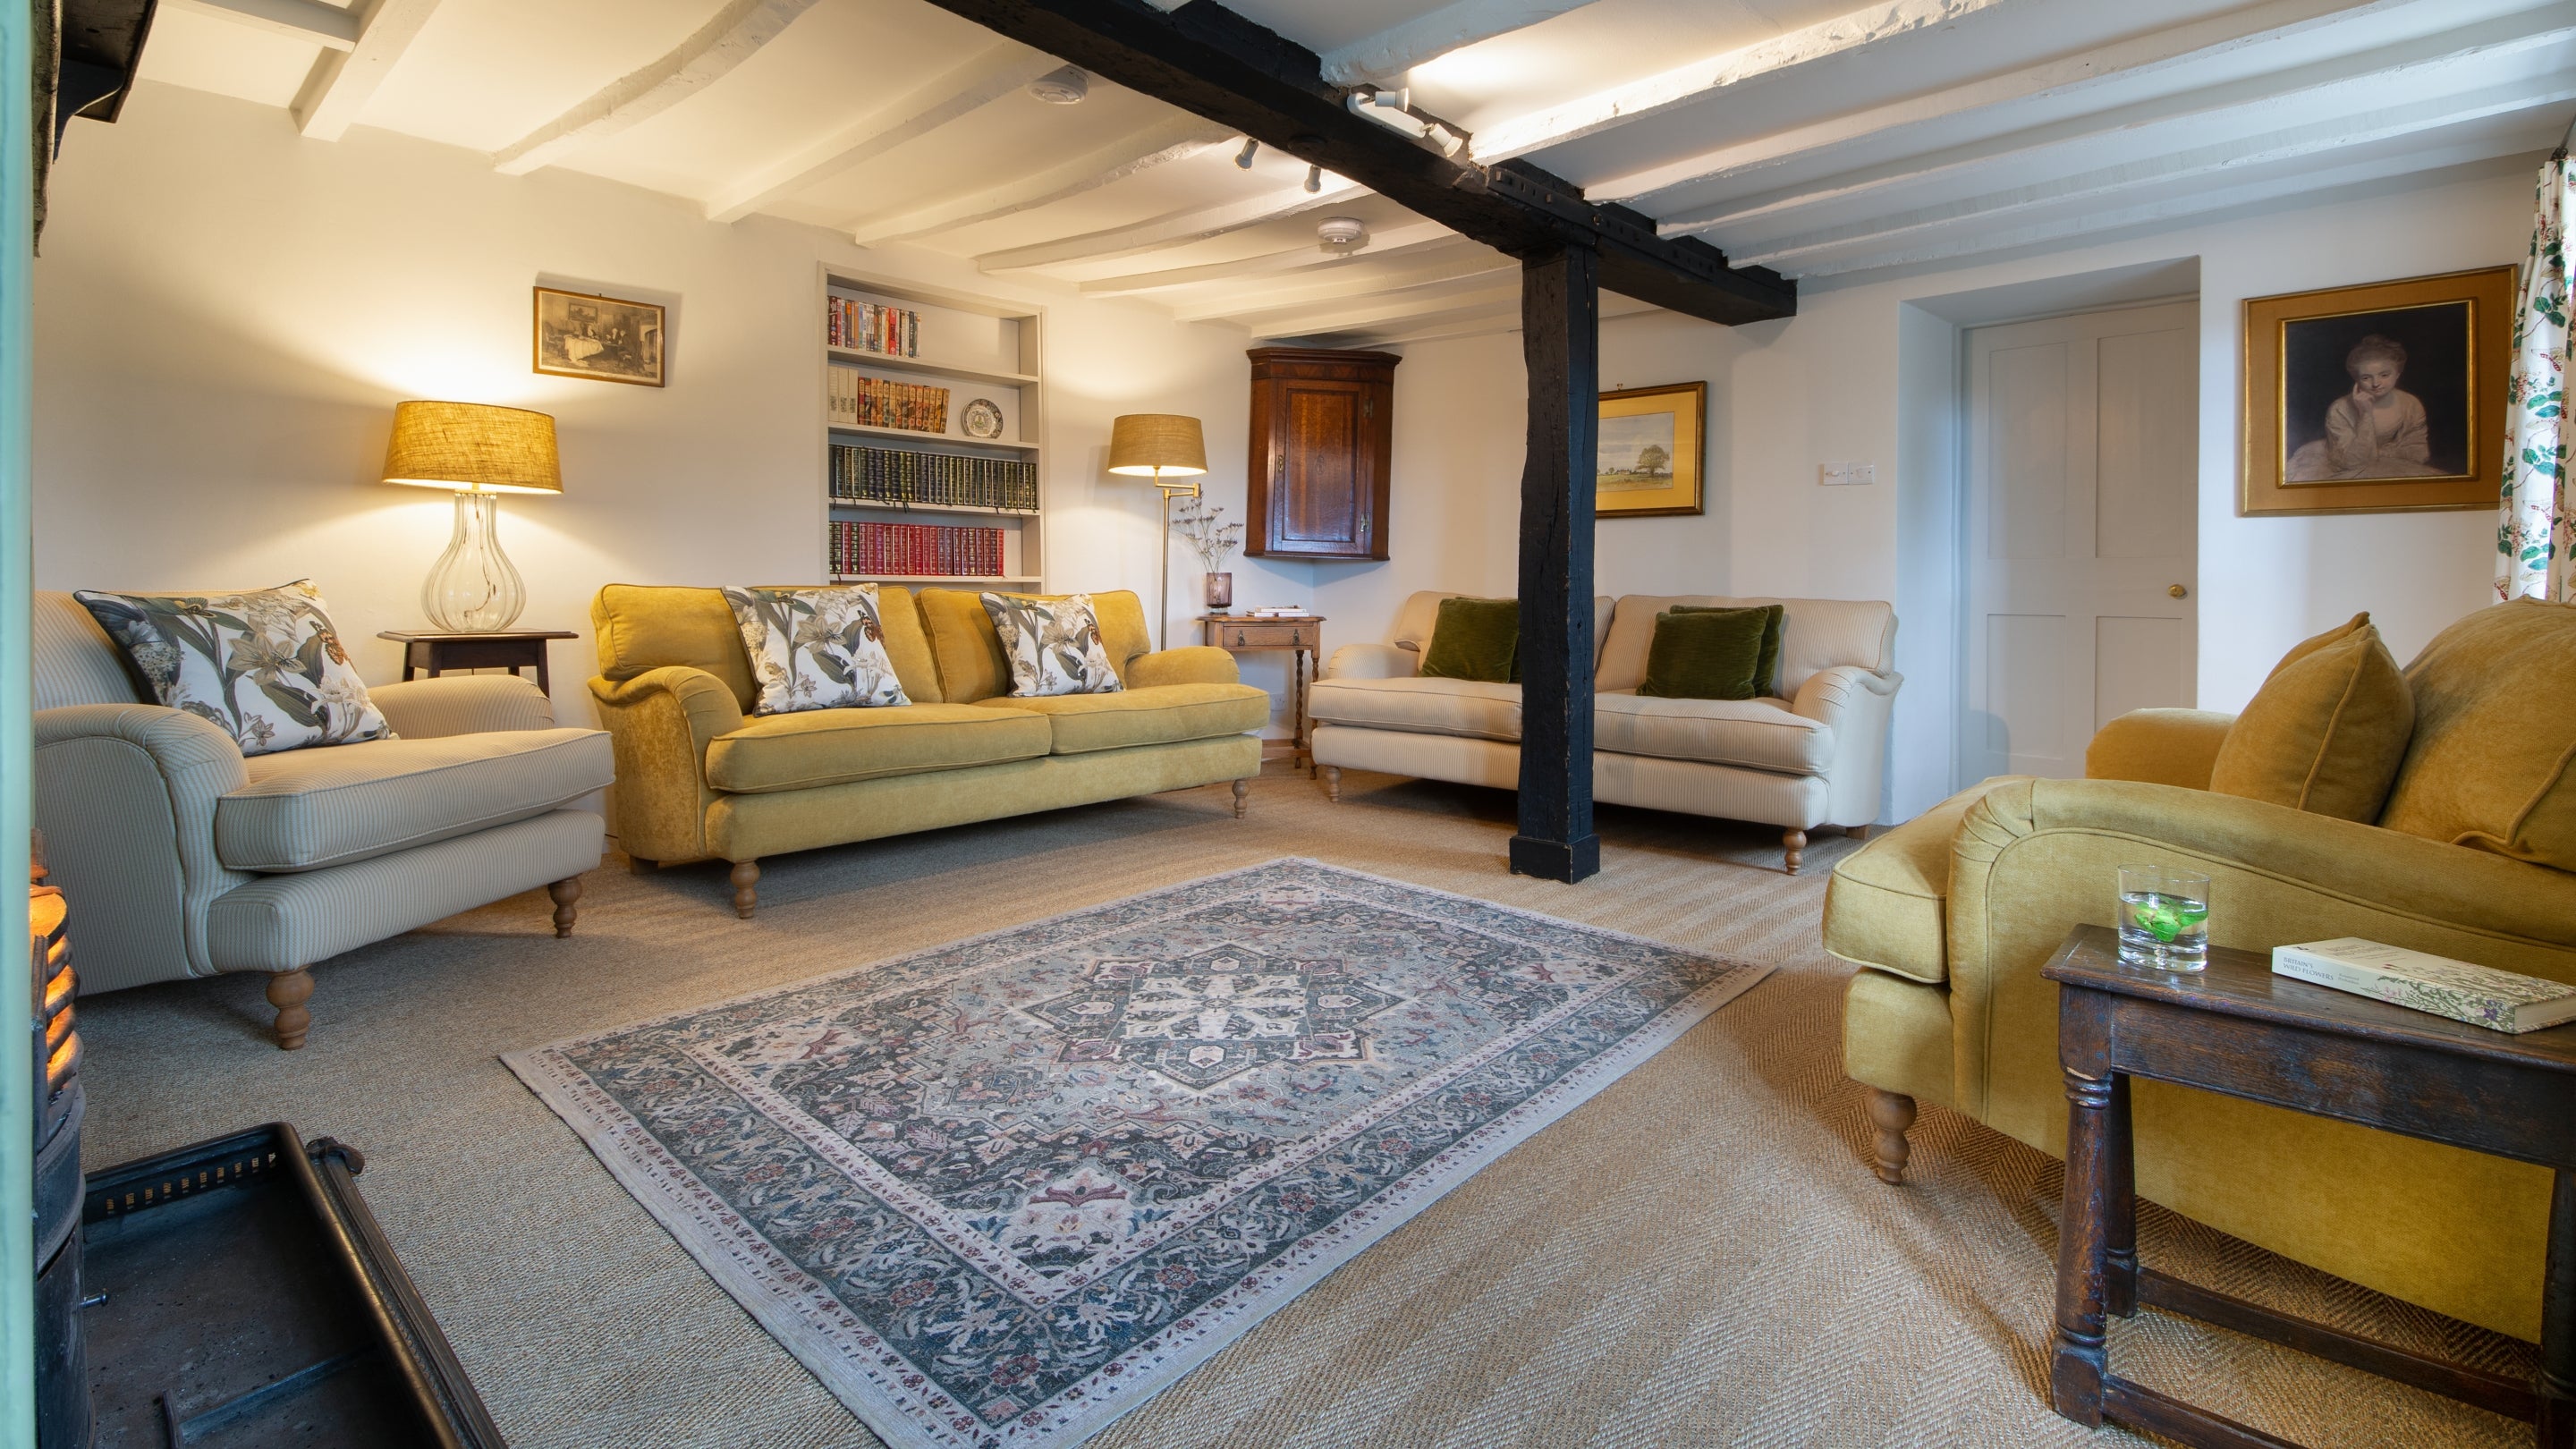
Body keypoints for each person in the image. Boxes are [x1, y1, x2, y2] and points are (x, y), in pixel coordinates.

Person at [2284, 334, 2445, 481]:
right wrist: (2365, 414)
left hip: (2388, 464)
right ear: (2357, 380)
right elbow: (2353, 461)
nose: (2376, 383)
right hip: (2339, 463)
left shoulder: (2410, 404)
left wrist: (2379, 453)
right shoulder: (2340, 408)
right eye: (2366, 377)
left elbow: (2419, 453)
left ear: (2397, 374)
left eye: (2384, 375)